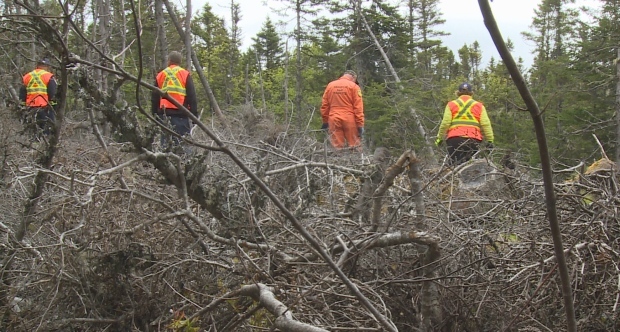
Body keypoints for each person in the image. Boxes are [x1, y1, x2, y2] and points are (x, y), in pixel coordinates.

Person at [435, 82, 494, 165]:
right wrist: (490, 140)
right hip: (474, 139)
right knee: (470, 167)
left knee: (454, 167)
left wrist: (440, 138)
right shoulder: (479, 105)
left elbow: (445, 123)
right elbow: (486, 124)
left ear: (458, 92)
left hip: (455, 138)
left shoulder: (451, 104)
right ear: (471, 93)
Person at [151, 51, 197, 150]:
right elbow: (192, 96)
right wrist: (194, 117)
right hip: (181, 114)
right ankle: (183, 164)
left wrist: (154, 114)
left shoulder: (161, 75)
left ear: (169, 61)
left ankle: (166, 164)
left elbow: (154, 97)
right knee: (183, 146)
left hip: (164, 115)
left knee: (166, 146)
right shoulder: (185, 74)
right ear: (180, 62)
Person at [320, 70, 364, 149]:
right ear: (353, 78)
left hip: (333, 118)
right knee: (355, 145)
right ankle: (357, 160)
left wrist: (325, 121)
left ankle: (338, 160)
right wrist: (360, 124)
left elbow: (325, 105)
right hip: (349, 118)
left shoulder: (330, 85)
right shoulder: (354, 86)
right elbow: (358, 108)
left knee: (337, 147)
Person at [20, 58, 57, 137]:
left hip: (30, 108)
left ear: (37, 66)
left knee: (32, 132)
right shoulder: (48, 76)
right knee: (47, 132)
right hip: (45, 108)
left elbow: (22, 94)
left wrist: (23, 107)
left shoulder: (27, 76)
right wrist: (54, 106)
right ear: (47, 66)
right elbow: (52, 92)